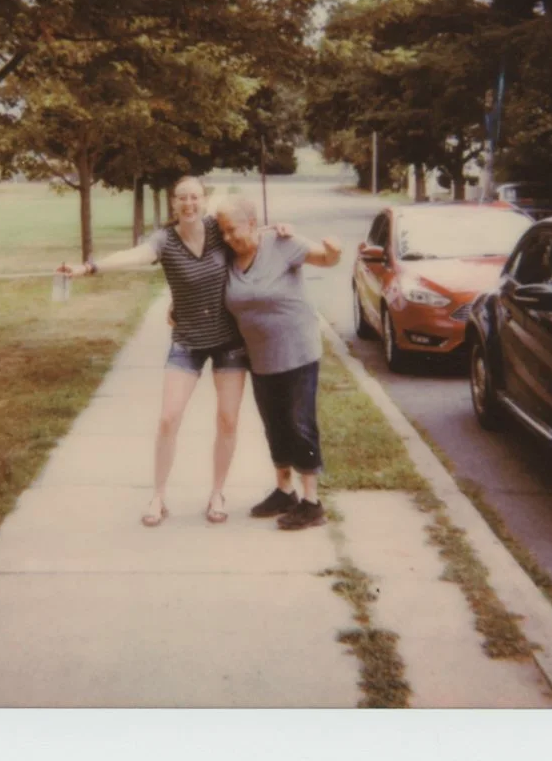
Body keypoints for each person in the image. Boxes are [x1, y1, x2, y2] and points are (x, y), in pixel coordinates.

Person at [59, 176, 250, 528]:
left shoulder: (217, 230)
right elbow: (135, 255)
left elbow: (251, 234)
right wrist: (90, 267)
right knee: (168, 418)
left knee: (228, 419)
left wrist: (281, 232)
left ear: (203, 200)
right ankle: (158, 496)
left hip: (228, 341)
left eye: (195, 197)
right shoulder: (165, 240)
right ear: (174, 204)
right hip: (188, 341)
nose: (189, 204)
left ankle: (217, 493)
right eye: (182, 198)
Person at [212, 194, 342, 531]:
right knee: (275, 427)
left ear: (251, 223)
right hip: (261, 358)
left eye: (232, 230)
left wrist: (334, 249)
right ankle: (285, 492)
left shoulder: (282, 244)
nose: (227, 238)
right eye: (222, 232)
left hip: (298, 352)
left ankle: (312, 502)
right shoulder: (228, 257)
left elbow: (326, 259)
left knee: (300, 424)